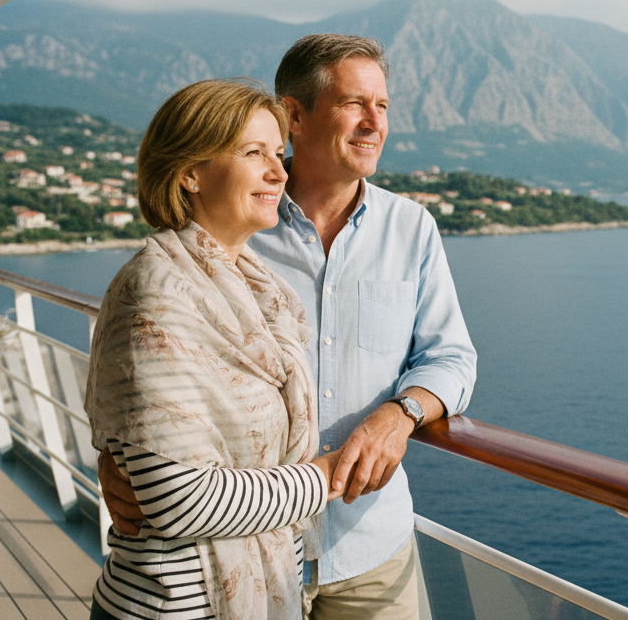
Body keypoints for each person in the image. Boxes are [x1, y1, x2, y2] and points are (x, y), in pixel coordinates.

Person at [100, 36, 478, 620]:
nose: (375, 122)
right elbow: (144, 369)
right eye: (355, 103)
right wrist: (123, 455)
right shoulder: (230, 233)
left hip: (364, 543)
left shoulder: (409, 229)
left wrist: (400, 415)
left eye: (384, 105)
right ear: (295, 114)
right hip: (218, 562)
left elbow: (451, 356)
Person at [85, 80, 349, 620]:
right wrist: (328, 477)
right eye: (254, 154)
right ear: (190, 172)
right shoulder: (157, 295)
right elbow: (183, 502)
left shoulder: (259, 291)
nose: (280, 172)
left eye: (279, 154)